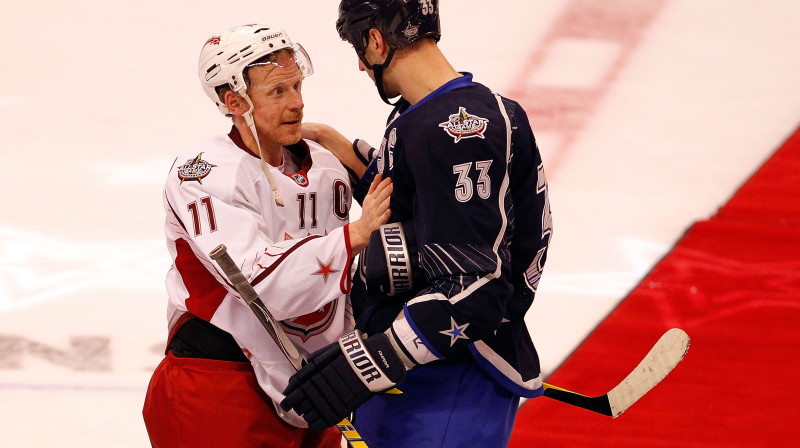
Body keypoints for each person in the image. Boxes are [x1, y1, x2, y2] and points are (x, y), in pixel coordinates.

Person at [280, 1, 554, 447]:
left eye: (358, 48)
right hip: (423, 371)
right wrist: (337, 147)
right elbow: (426, 201)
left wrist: (372, 359)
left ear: (375, 40)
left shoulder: (456, 130)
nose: (362, 65)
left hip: (450, 379)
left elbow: (477, 290)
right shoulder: (440, 113)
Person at [141, 24, 393, 448]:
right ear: (234, 101)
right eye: (277, 92)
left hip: (316, 390)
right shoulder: (203, 174)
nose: (296, 103)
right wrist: (355, 235)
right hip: (219, 386)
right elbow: (262, 285)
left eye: (296, 86)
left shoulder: (327, 167)